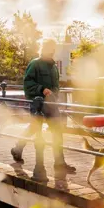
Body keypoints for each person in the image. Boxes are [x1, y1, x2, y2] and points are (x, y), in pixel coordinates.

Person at [10, 39, 76, 175]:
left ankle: (59, 163)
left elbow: (56, 86)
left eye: (53, 48)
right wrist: (42, 89)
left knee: (57, 130)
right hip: (37, 103)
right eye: (49, 48)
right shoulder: (35, 64)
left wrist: (54, 94)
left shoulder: (54, 67)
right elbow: (27, 83)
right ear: (43, 48)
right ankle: (17, 148)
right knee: (34, 128)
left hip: (51, 103)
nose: (52, 51)